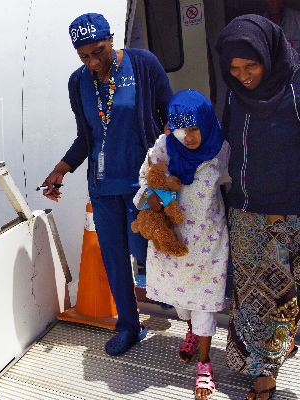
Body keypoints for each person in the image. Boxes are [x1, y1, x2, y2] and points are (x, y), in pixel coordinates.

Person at [41, 12, 173, 356]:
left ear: (112, 39)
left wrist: (168, 172)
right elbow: (86, 137)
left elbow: (169, 117)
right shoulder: (78, 82)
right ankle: (129, 326)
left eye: (98, 51)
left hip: (142, 187)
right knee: (114, 260)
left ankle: (189, 315)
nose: (93, 62)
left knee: (147, 250)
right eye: (84, 56)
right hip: (102, 188)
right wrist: (62, 168)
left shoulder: (142, 65)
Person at [216, 15, 300, 400]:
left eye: (251, 66)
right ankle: (264, 371)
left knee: (290, 291)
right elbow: (226, 138)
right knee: (254, 297)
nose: (243, 74)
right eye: (234, 68)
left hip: (293, 209)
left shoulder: (296, 85)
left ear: (270, 55)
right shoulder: (235, 91)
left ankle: (288, 344)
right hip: (247, 208)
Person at [134, 90, 230, 400]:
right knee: (180, 300)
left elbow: (238, 183)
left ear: (205, 120)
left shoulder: (222, 150)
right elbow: (147, 179)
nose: (187, 137)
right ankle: (189, 331)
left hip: (208, 242)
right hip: (172, 240)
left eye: (194, 128)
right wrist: (160, 198)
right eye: (180, 129)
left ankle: (205, 364)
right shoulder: (164, 147)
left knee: (204, 302)